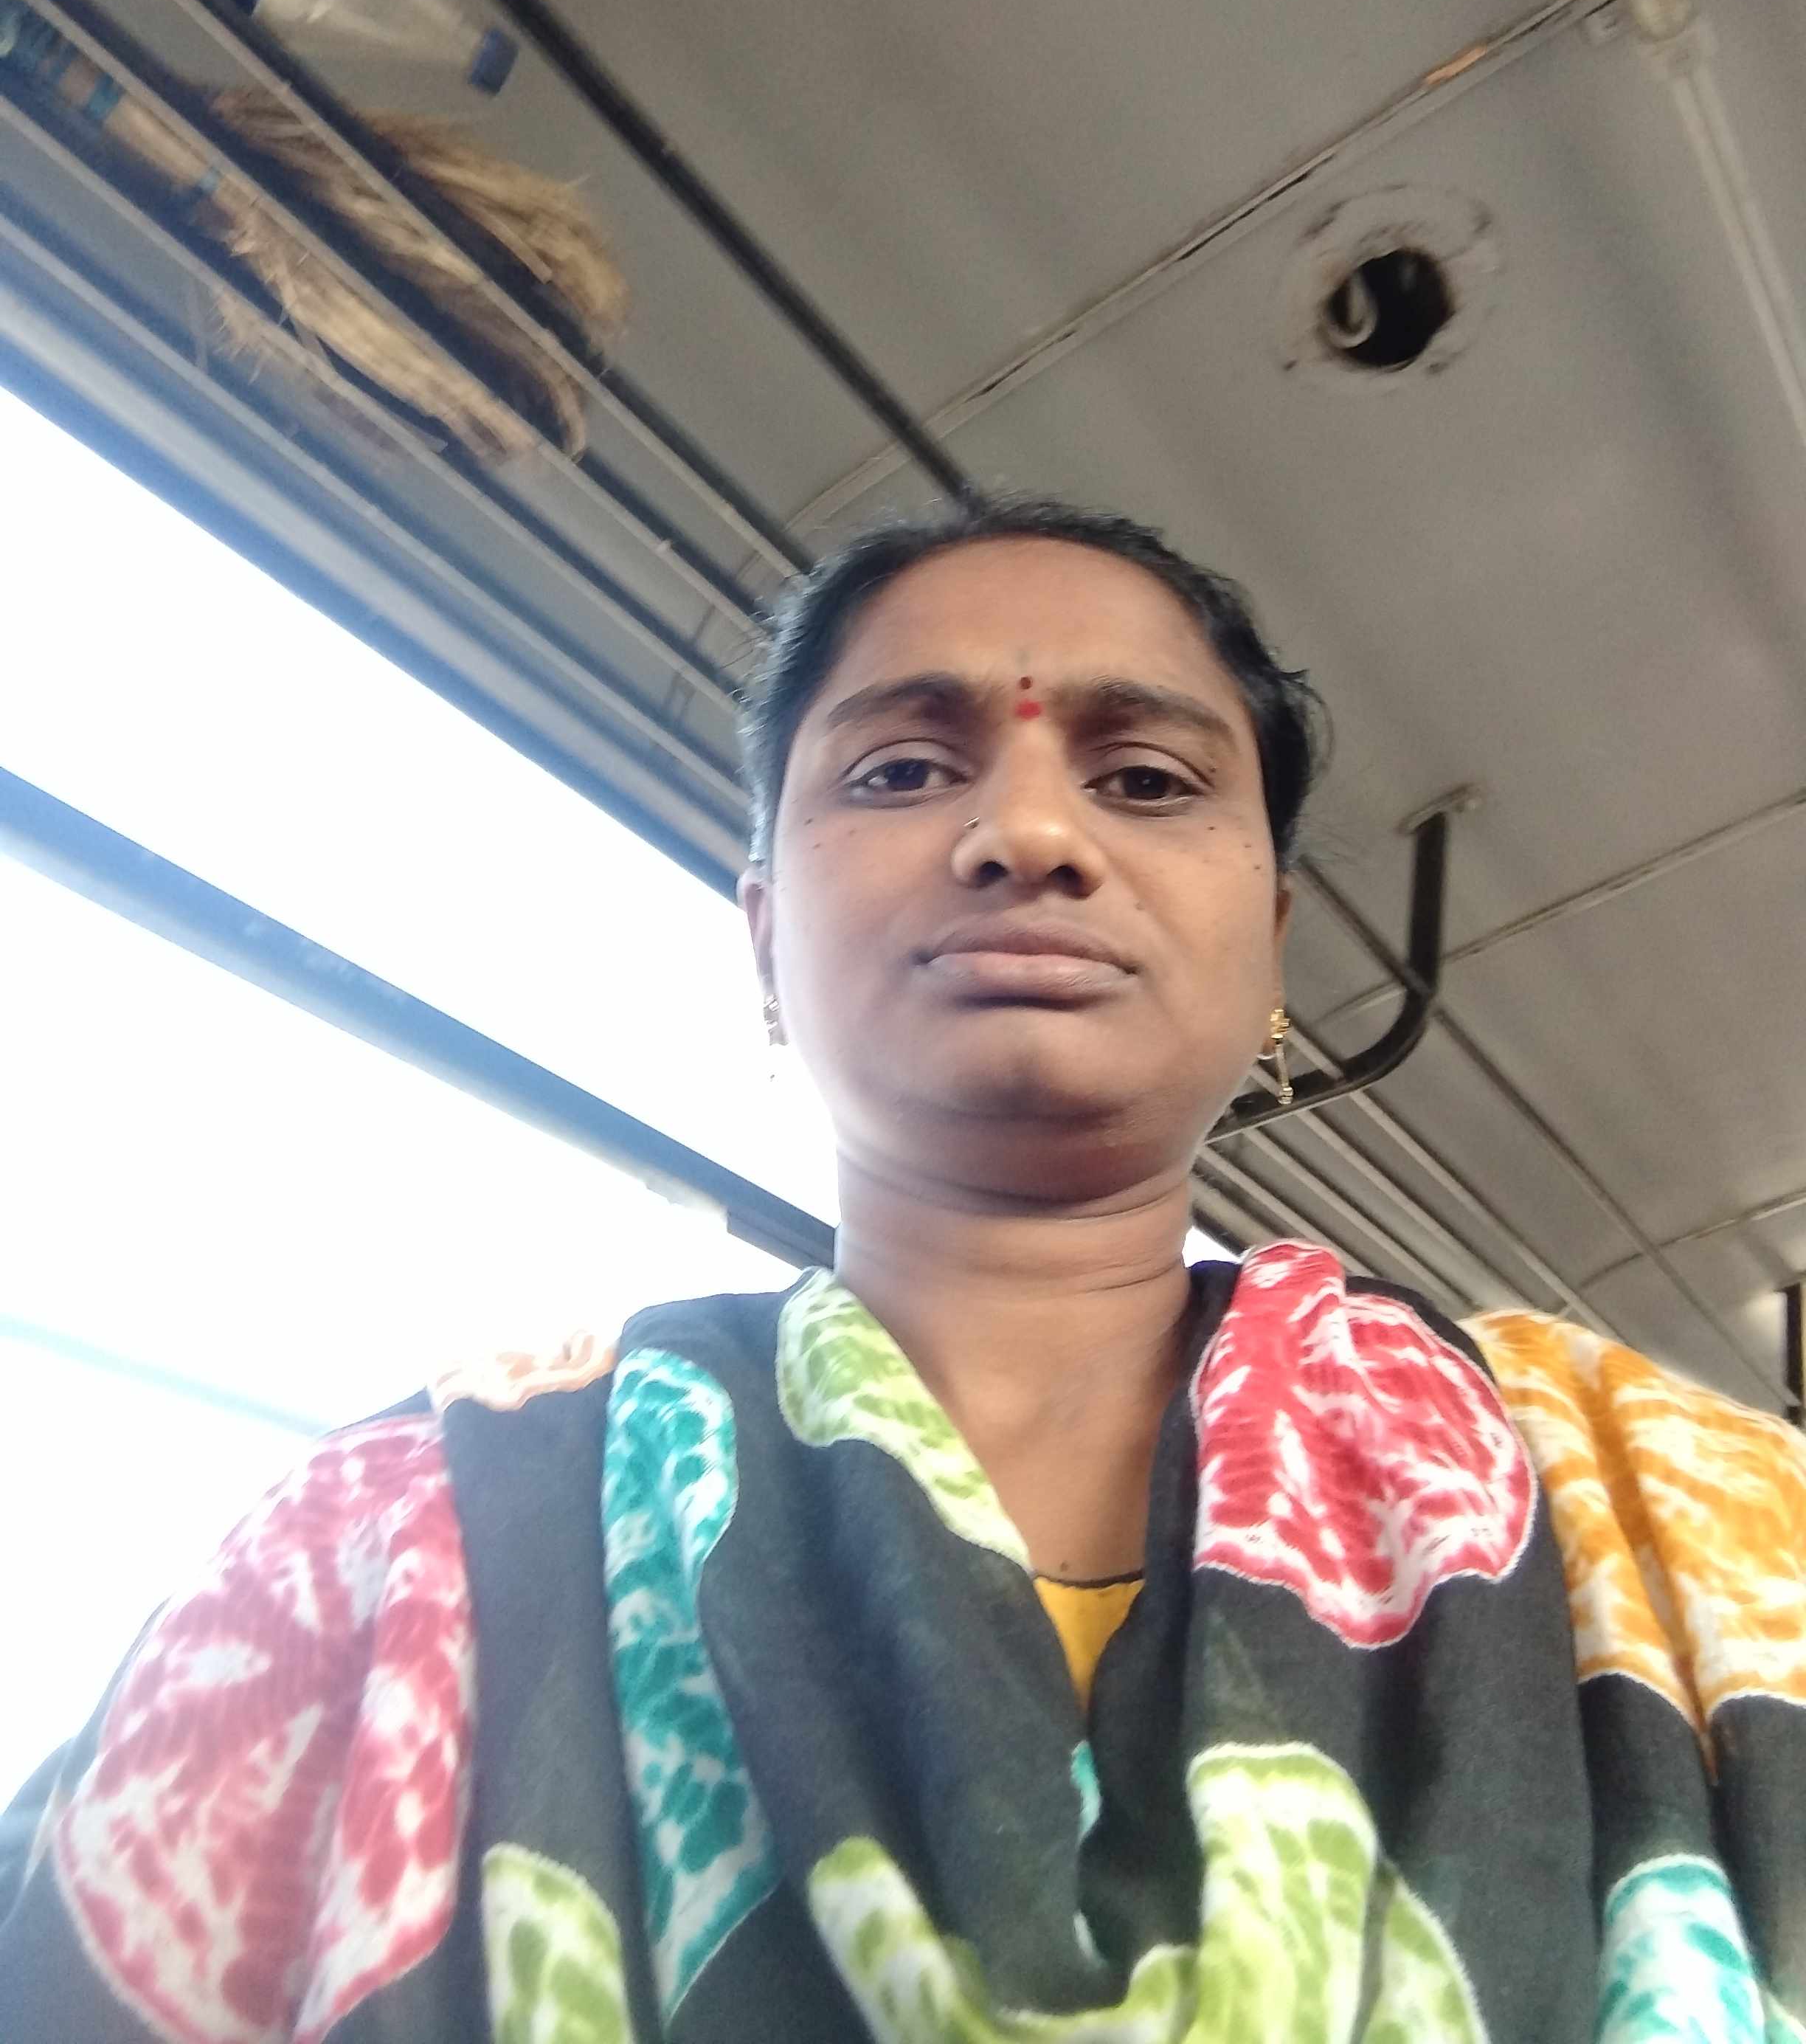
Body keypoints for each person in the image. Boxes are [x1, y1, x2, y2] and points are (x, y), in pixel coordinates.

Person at [1, 494, 1802, 2042]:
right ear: (765, 939)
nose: (1029, 834)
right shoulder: (407, 1535)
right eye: (902, 771)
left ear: (1269, 947)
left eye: (1146, 779)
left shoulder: (1656, 1498)